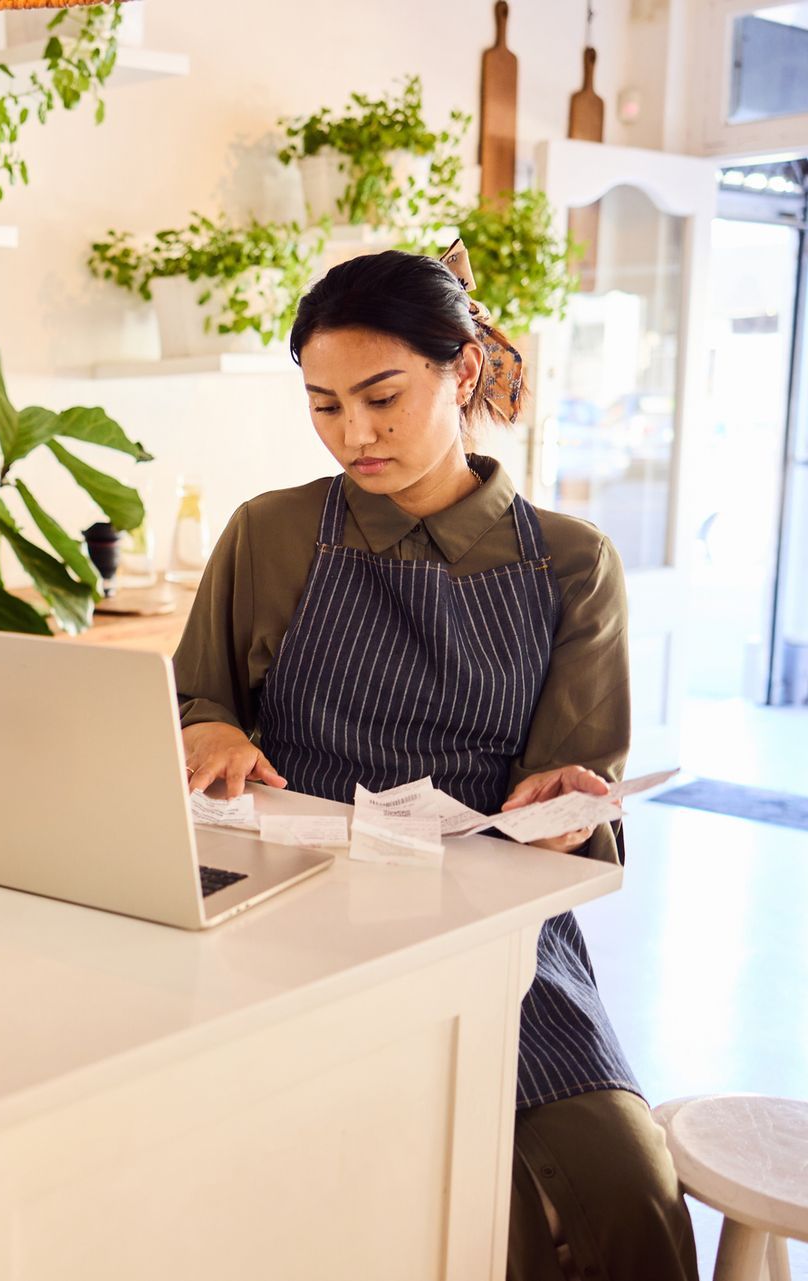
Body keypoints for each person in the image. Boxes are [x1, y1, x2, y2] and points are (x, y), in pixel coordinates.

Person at [172, 245, 698, 1281]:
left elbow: (576, 794)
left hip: (497, 931)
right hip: (287, 911)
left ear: (461, 373)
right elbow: (197, 696)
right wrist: (210, 731)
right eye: (323, 405)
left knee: (622, 1187)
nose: (352, 435)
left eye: (380, 397)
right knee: (431, 1194)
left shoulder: (572, 564)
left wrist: (569, 804)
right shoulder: (271, 533)